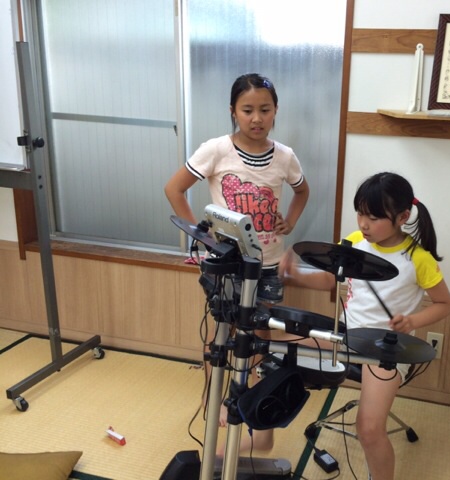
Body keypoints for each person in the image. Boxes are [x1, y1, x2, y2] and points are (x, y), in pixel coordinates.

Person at [164, 73, 310, 454]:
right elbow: (174, 189)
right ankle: (212, 401)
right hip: (229, 265)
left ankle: (253, 409)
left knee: (260, 336)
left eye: (265, 109)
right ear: (233, 111)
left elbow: (302, 191)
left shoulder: (285, 156)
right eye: (247, 110)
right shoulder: (216, 150)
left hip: (267, 264)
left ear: (276, 111)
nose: (256, 118)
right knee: (221, 334)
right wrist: (204, 238)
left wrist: (290, 221)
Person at [278, 171, 450, 480]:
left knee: (369, 430)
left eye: (373, 217)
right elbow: (331, 279)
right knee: (273, 344)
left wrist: (411, 321)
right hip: (346, 336)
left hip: (388, 350)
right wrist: (294, 276)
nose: (363, 224)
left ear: (403, 217)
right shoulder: (356, 242)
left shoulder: (418, 258)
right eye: (360, 213)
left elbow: (445, 304)